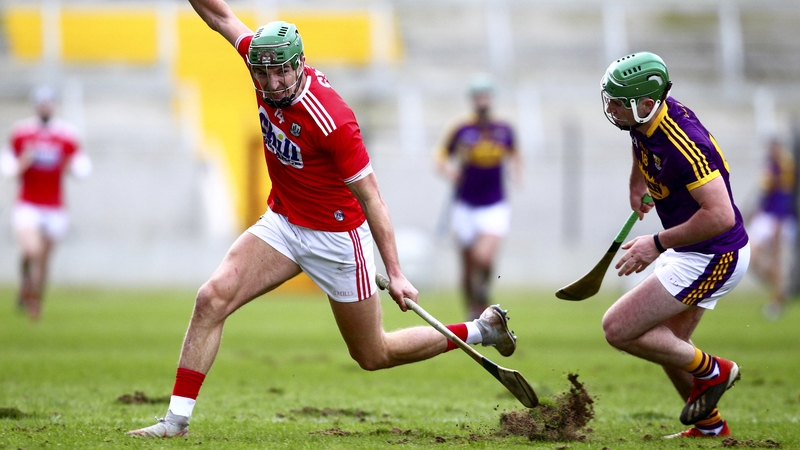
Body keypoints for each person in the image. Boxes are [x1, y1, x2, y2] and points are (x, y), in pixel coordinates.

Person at [127, 0, 517, 438]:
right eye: (263, 74)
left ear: (301, 64)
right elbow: (220, 17)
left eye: (282, 74)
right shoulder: (263, 57)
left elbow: (373, 201)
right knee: (211, 299)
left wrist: (396, 272)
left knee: (373, 353)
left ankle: (481, 328)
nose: (272, 84)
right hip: (284, 224)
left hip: (337, 239)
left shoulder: (332, 120)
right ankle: (175, 422)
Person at [599, 52, 750, 439]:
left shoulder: (685, 145)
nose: (612, 109)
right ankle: (710, 427)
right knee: (668, 342)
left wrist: (656, 243)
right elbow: (642, 143)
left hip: (715, 253)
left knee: (618, 328)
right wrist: (641, 182)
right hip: (696, 249)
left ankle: (715, 370)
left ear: (647, 104)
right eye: (611, 100)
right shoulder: (646, 119)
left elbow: (720, 215)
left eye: (619, 103)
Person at [1, 86, 91, 321]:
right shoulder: (21, 133)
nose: (44, 107)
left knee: (44, 258)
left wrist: (71, 166)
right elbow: (8, 167)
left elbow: (83, 167)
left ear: (53, 105)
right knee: (30, 250)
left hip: (54, 206)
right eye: (41, 103)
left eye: (48, 103)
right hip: (28, 203)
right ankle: (25, 284)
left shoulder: (65, 135)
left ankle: (34, 301)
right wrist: (22, 163)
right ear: (35, 106)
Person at [435, 74, 521, 321]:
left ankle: (483, 294)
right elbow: (441, 156)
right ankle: (472, 310)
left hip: (494, 203)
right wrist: (449, 171)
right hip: (465, 204)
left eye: (486, 95)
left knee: (484, 256)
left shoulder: (504, 129)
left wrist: (517, 170)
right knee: (467, 264)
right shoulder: (461, 129)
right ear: (472, 100)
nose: (482, 100)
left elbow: (515, 153)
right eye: (478, 96)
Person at [747, 138, 796, 320]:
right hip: (765, 216)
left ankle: (777, 300)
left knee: (777, 260)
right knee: (751, 255)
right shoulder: (769, 165)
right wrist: (756, 210)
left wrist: (779, 221)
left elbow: (784, 195)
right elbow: (765, 193)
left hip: (777, 218)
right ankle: (781, 289)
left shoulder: (785, 166)